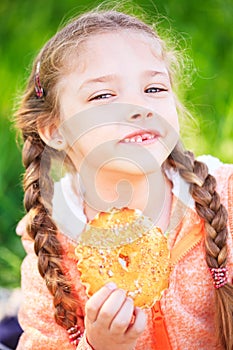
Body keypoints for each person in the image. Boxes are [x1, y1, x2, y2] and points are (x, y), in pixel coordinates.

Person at [14, 6, 233, 350]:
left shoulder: (224, 197)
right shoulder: (51, 238)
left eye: (155, 89)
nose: (138, 107)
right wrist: (98, 345)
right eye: (103, 95)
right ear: (55, 130)